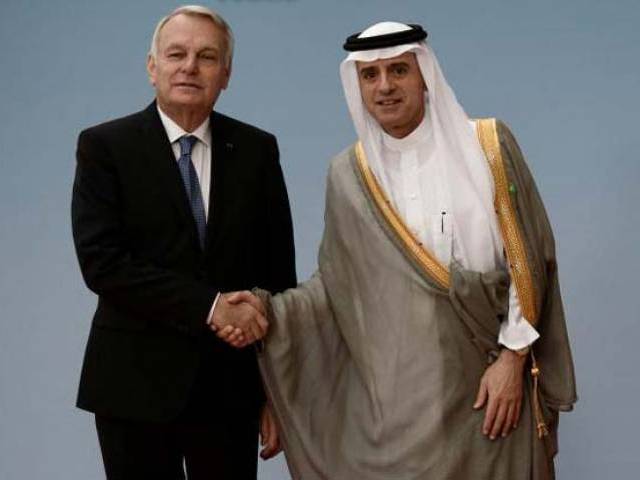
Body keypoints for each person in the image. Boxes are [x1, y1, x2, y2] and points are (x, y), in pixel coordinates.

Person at [219, 21, 576, 479]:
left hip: (487, 390)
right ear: (357, 86)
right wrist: (265, 311)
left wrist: (512, 360)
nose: (385, 86)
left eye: (398, 70)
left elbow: (529, 257)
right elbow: (335, 287)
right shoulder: (348, 175)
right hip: (401, 405)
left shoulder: (486, 145)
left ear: (424, 74)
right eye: (370, 75)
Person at [71, 5, 296, 479]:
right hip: (132, 387)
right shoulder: (104, 147)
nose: (190, 67)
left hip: (230, 392)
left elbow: (277, 278)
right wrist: (212, 307)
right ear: (152, 67)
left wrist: (275, 392)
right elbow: (104, 265)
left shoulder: (257, 150)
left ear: (226, 74)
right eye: (176, 54)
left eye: (206, 57)